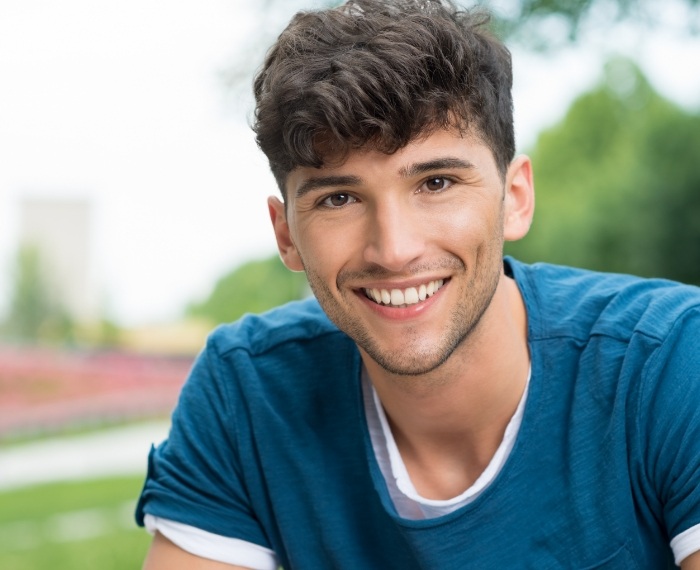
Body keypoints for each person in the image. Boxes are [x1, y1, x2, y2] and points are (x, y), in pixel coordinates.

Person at [135, 1, 700, 568]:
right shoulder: (248, 393)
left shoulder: (670, 363)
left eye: (436, 182)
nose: (395, 249)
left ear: (515, 199)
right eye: (340, 198)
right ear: (286, 236)